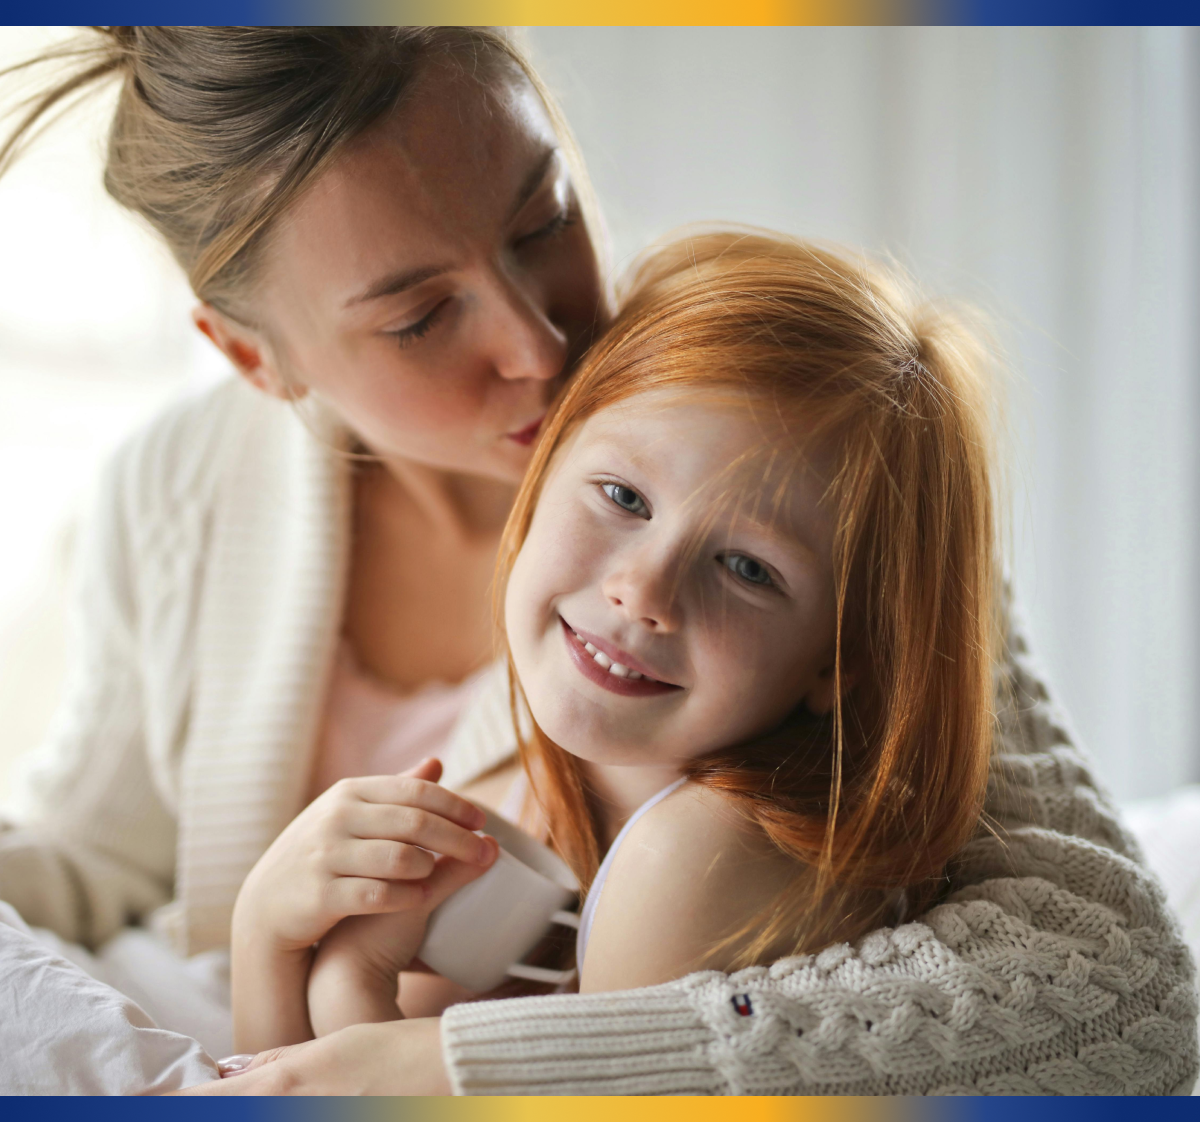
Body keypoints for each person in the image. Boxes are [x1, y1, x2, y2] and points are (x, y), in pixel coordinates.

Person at [0, 28, 1194, 1096]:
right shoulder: (179, 485)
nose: (541, 338)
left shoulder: (791, 437)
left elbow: (1118, 975)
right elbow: (91, 861)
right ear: (256, 359)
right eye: (421, 317)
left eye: (543, 222)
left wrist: (488, 1058)